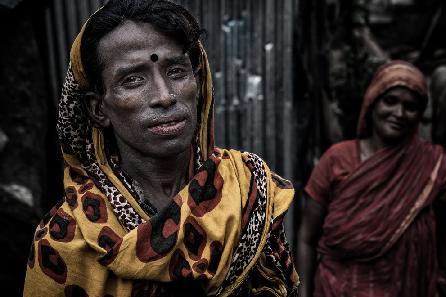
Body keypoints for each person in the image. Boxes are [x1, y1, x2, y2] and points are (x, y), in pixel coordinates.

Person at [23, 1, 299, 296]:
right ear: (98, 108)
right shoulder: (67, 238)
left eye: (177, 71)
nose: (165, 96)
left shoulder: (248, 189)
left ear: (198, 82)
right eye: (133, 80)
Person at [298, 60, 446, 297]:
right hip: (336, 290)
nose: (399, 113)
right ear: (372, 102)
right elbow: (306, 238)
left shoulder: (433, 167)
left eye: (410, 107)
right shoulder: (337, 159)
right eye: (390, 101)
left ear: (420, 115)